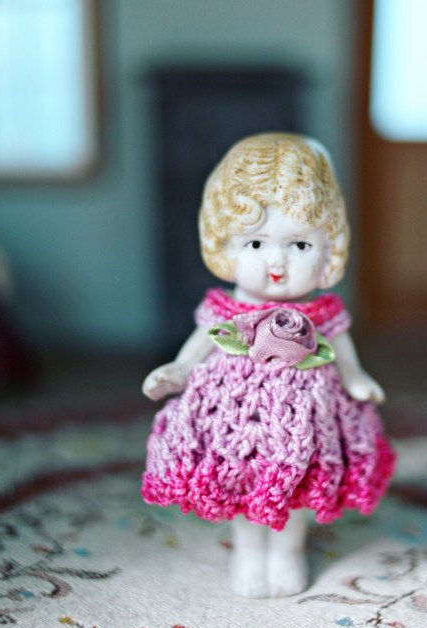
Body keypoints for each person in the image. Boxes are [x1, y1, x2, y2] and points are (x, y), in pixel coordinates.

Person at [141, 132, 395, 598]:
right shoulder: (225, 312)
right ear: (226, 247)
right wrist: (178, 370)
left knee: (298, 481)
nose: (276, 262)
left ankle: (286, 550)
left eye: (299, 245)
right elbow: (201, 344)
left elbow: (340, 348)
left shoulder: (321, 315)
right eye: (256, 244)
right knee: (240, 478)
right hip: (233, 418)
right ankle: (249, 549)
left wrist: (355, 378)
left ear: (328, 250)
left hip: (306, 423)